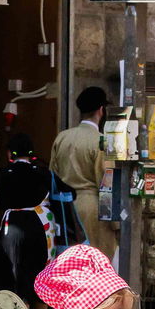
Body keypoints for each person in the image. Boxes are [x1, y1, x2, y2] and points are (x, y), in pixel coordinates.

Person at [0, 133, 55, 309]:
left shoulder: (2, 173)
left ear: (10, 153)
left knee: (11, 277)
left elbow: (1, 199)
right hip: (39, 226)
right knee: (38, 278)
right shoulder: (43, 173)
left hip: (12, 227)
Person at [50, 87, 116, 260]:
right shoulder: (101, 141)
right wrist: (116, 223)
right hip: (92, 210)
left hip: (65, 209)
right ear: (101, 110)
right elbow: (106, 184)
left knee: (70, 263)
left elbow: (52, 176)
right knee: (95, 264)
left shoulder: (62, 138)